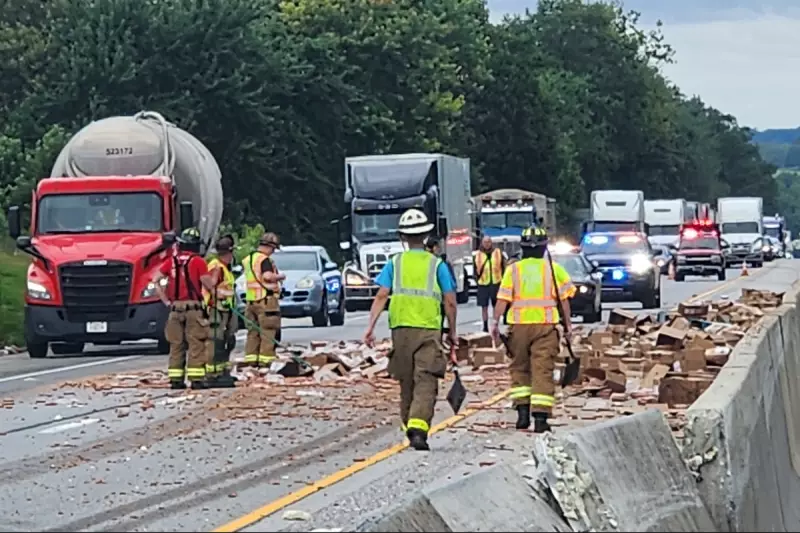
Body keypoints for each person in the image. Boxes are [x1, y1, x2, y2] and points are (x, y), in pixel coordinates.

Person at [363, 209, 458, 451]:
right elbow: (449, 300)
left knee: (406, 380)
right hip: (428, 329)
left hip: (401, 330)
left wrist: (371, 327)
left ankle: (410, 426)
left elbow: (382, 295)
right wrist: (452, 331)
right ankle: (418, 428)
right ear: (426, 235)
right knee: (426, 379)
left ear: (402, 237)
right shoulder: (437, 265)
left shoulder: (394, 263)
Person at [491, 226, 576, 433]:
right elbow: (564, 301)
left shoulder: (513, 270)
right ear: (544, 247)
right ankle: (540, 418)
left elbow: (503, 299)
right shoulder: (554, 270)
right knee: (542, 370)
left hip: (518, 327)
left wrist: (494, 324)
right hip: (546, 328)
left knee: (519, 368)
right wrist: (567, 327)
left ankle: (522, 413)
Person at [153, 227, 218, 390]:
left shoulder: (171, 261)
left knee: (176, 344)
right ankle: (196, 379)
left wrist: (166, 300)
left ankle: (176, 379)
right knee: (196, 342)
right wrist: (216, 294)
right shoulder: (198, 261)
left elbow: (156, 280)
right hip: (193, 309)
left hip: (175, 309)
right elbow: (207, 284)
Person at [241, 232, 285, 368]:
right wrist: (280, 276)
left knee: (253, 333)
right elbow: (267, 277)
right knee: (268, 332)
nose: (273, 252)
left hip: (250, 301)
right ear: (269, 246)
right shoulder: (264, 260)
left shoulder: (248, 259)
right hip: (265, 301)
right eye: (273, 249)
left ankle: (251, 361)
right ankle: (266, 363)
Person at [203, 235, 238, 387]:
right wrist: (221, 296)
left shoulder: (224, 267)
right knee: (215, 342)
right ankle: (212, 374)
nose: (231, 257)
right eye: (230, 254)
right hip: (216, 309)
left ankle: (222, 371)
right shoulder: (216, 267)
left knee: (227, 340)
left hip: (225, 310)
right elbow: (212, 287)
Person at [424, 236, 456, 333]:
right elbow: (450, 287)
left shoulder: (420, 262)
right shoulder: (440, 263)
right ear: (435, 247)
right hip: (438, 302)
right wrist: (453, 330)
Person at [474, 235, 506, 332]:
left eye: (488, 242)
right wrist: (477, 280)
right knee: (484, 307)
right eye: (485, 242)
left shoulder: (498, 252)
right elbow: (475, 270)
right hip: (483, 284)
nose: (487, 244)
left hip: (496, 283)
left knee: (496, 306)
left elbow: (503, 266)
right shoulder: (478, 254)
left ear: (491, 242)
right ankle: (485, 326)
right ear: (482, 243)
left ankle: (495, 324)